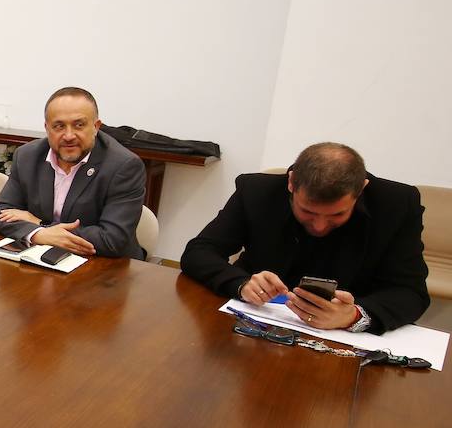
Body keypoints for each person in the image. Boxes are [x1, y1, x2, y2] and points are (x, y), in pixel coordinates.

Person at [181, 142, 429, 334]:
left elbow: (410, 292)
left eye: (337, 214)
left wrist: (353, 315)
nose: (320, 226)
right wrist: (241, 283)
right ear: (291, 183)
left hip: (344, 341)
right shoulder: (256, 191)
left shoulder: (396, 205)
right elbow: (199, 252)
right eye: (307, 211)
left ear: (361, 190)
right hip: (256, 324)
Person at [0, 87, 146, 259]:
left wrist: (41, 225)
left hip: (107, 265)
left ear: (96, 127)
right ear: (47, 128)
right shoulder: (28, 156)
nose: (69, 136)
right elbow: (0, 213)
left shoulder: (123, 166)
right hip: (46, 259)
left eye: (79, 125)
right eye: (59, 126)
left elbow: (112, 239)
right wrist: (38, 234)